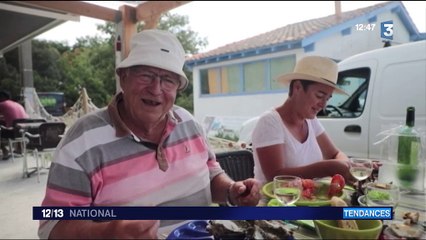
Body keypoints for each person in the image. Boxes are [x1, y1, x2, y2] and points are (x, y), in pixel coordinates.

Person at [38, 29, 261, 239]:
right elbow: (51, 224)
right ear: (123, 77)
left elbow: (210, 174)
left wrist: (233, 191)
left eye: (168, 80)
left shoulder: (189, 123)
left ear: (177, 89)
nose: (156, 89)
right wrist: (107, 232)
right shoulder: (83, 139)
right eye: (146, 75)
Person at [251, 56, 355, 185]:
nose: (323, 105)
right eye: (319, 96)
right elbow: (275, 176)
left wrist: (347, 166)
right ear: (297, 87)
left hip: (309, 198)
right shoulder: (270, 122)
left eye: (327, 99)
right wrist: (329, 168)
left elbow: (335, 153)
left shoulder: (311, 120)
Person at [0, 90, 29, 160]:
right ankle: (19, 149)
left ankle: (5, 151)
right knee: (15, 125)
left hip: (13, 132)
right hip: (24, 131)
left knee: (5, 129)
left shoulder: (2, 104)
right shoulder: (16, 104)